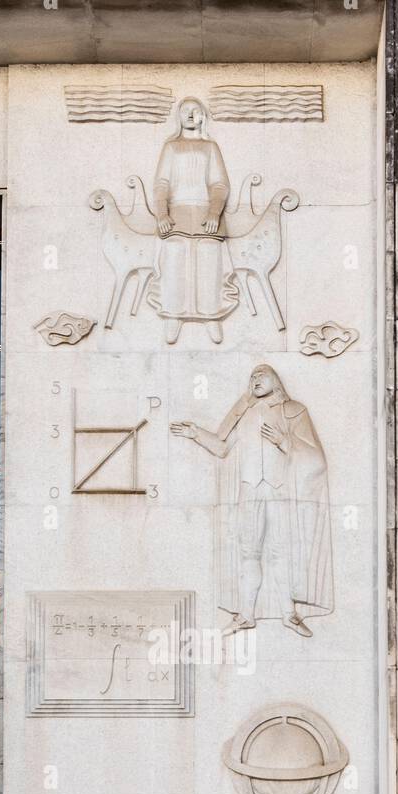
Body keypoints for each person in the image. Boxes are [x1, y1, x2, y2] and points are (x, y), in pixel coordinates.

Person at [171, 364, 333, 636]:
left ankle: (288, 613)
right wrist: (196, 433)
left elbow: (316, 457)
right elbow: (223, 447)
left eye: (262, 375)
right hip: (250, 490)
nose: (256, 379)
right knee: (249, 552)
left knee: (281, 551)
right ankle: (246, 614)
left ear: (276, 380)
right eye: (253, 376)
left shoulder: (293, 410)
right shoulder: (244, 413)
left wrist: (285, 442)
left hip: (279, 489)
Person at [147, 96, 240, 343]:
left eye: (195, 110)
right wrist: (162, 213)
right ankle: (173, 314)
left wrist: (214, 211)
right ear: (178, 117)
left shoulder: (210, 148)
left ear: (202, 116)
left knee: (209, 258)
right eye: (185, 111)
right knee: (175, 257)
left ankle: (211, 315)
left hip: (205, 214)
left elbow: (220, 184)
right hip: (176, 215)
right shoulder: (171, 147)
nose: (190, 114)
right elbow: (161, 184)